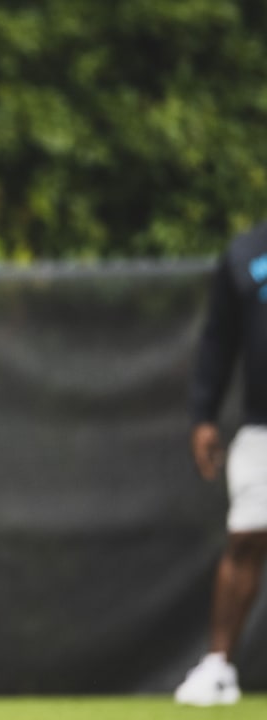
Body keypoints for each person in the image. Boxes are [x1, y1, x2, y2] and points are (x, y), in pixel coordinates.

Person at [174, 221, 267, 706]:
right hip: (262, 425)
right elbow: (217, 339)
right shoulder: (246, 252)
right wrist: (204, 415)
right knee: (247, 536)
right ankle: (218, 668)